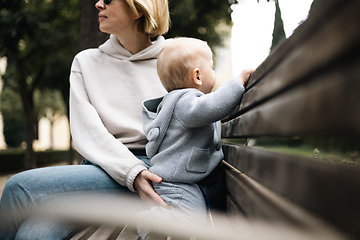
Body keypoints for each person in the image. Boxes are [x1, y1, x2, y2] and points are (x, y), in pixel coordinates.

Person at [0, 0, 171, 239]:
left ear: (138, 8)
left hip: (157, 174)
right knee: (33, 233)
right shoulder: (86, 62)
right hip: (103, 171)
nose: (98, 4)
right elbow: (88, 132)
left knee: (18, 188)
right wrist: (133, 173)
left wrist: (142, 174)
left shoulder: (175, 57)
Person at [138, 37, 254, 239]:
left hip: (190, 179)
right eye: (212, 67)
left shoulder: (183, 103)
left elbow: (213, 108)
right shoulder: (185, 102)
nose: (215, 73)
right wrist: (237, 83)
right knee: (192, 222)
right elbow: (213, 106)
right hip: (177, 183)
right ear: (198, 76)